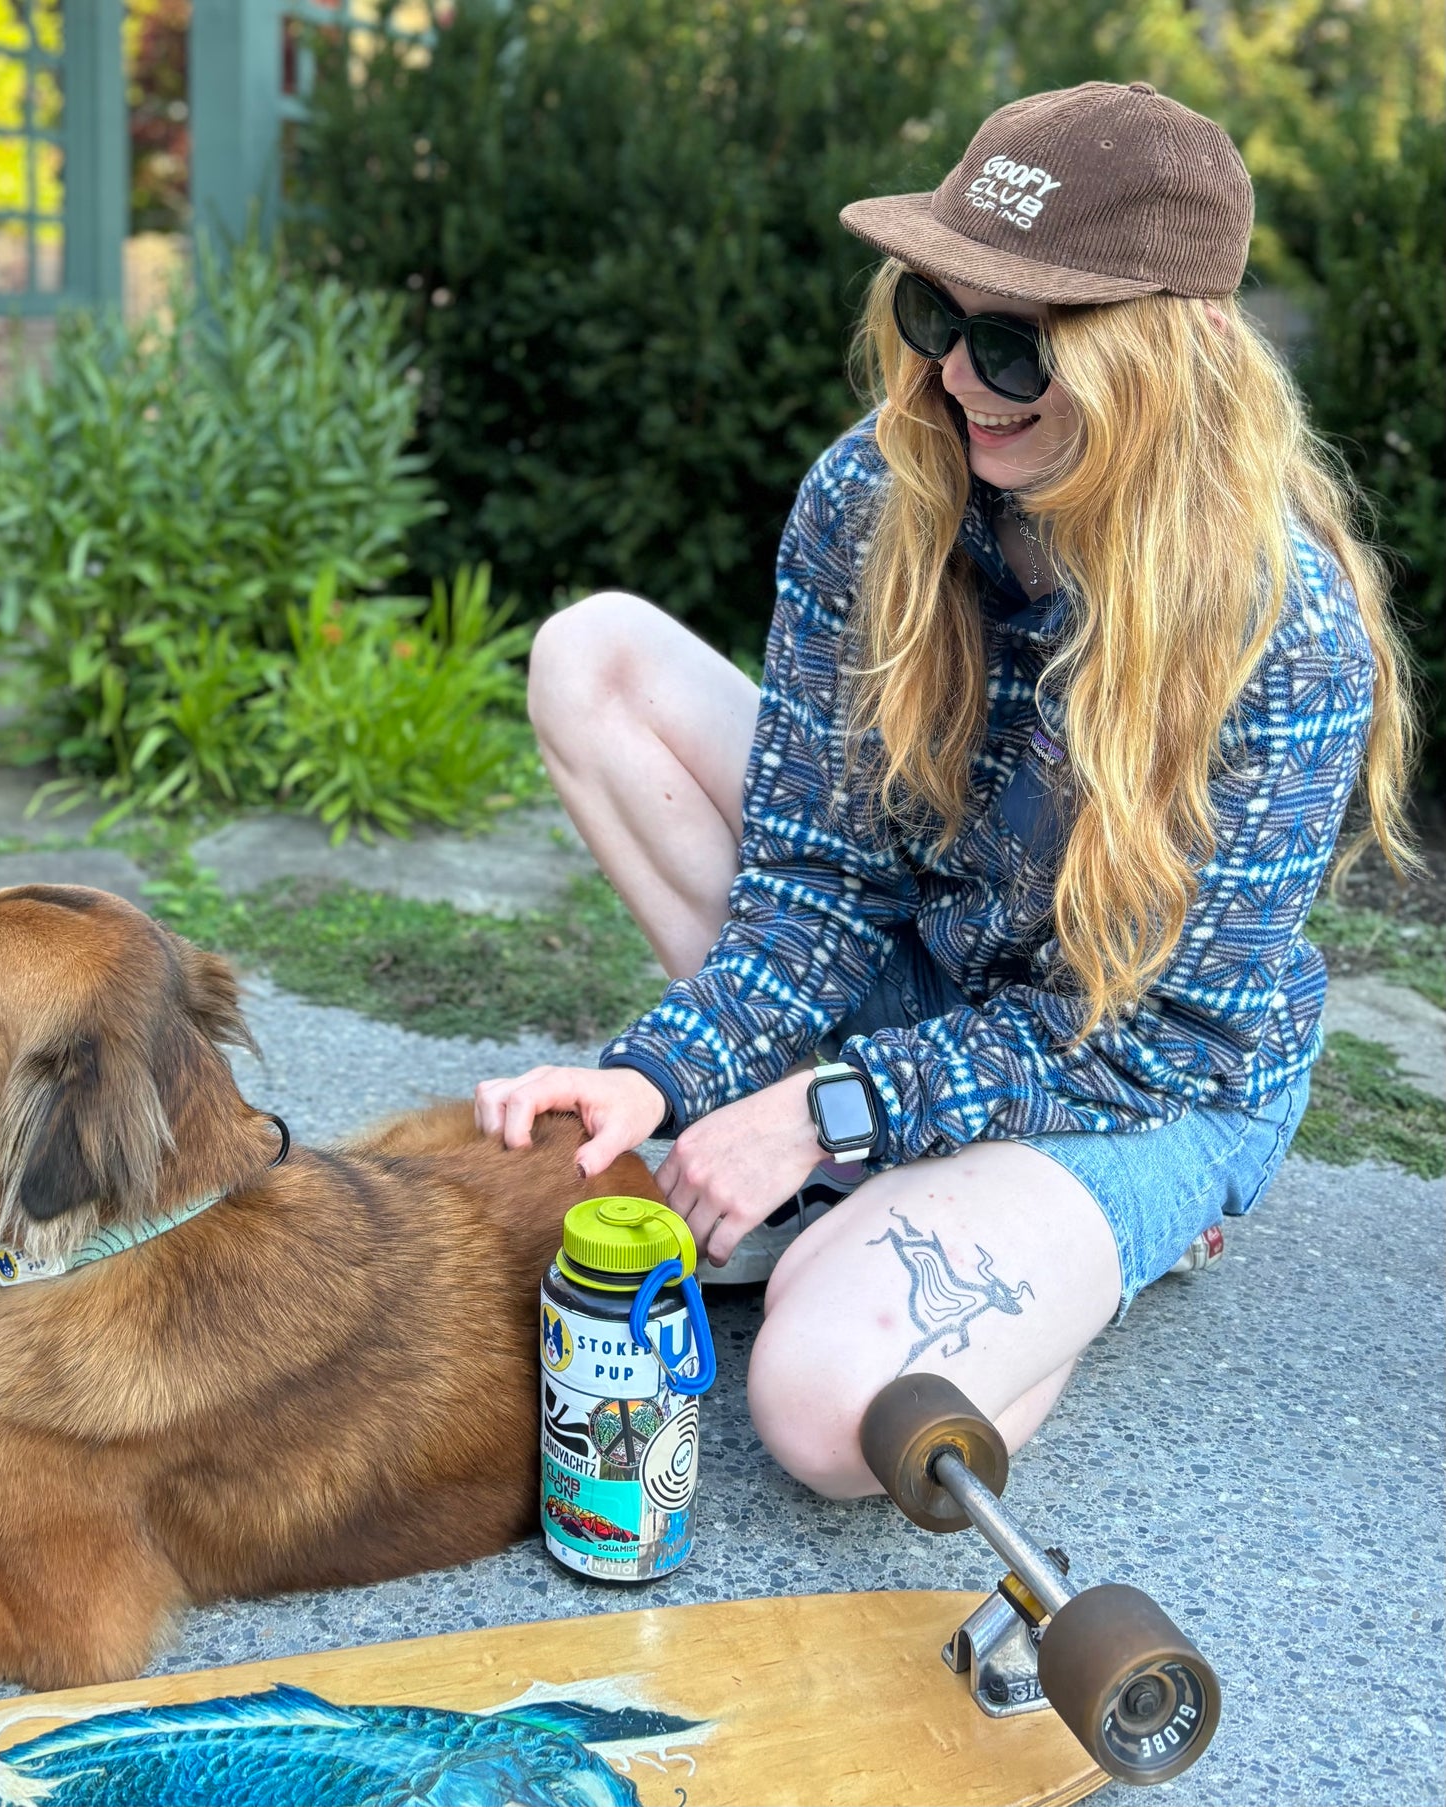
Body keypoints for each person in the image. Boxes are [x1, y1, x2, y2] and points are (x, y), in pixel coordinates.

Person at [473, 81, 1415, 1500]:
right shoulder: (875, 489)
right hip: (931, 964)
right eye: (932, 313)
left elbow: (1161, 1039)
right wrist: (649, 1074)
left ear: (1175, 352)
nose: (950, 381)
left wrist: (828, 1108)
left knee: (818, 1406)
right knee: (589, 655)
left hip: (1142, 1081)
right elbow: (810, 882)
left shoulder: (1282, 640)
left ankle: (1061, 1241)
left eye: (1013, 346)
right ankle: (901, 1196)